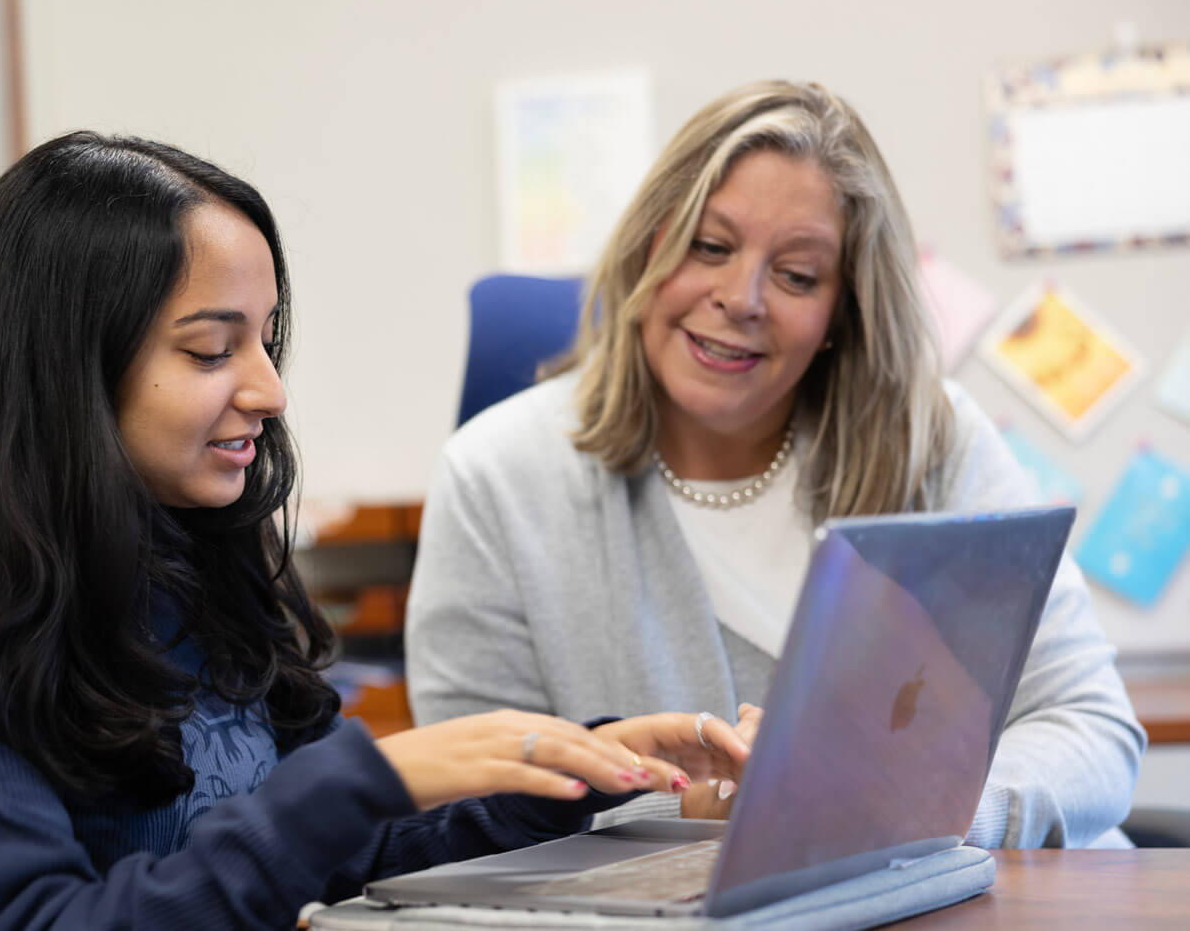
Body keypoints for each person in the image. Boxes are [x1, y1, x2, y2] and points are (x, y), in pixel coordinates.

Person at [0, 132, 753, 931]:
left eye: (263, 337)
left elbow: (351, 848)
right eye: (212, 348)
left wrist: (575, 771)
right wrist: (360, 782)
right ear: (67, 371)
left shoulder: (193, 558)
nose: (268, 388)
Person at [405, 80, 1145, 846]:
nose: (742, 297)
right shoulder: (494, 476)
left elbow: (1089, 726)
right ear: (651, 247)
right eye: (711, 246)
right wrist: (690, 818)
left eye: (797, 275)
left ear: (840, 312)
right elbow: (467, 801)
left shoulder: (933, 436)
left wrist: (937, 810)